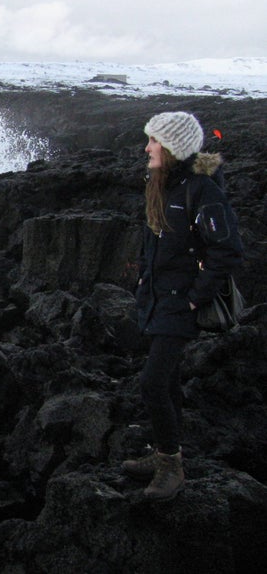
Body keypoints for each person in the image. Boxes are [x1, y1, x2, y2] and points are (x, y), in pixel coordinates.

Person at [123, 111, 243, 500]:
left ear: (173, 147)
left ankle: (171, 468)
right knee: (168, 381)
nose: (147, 148)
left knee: (152, 382)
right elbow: (155, 240)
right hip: (158, 298)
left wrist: (194, 299)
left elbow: (227, 251)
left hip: (180, 305)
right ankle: (162, 454)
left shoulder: (203, 191)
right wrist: (144, 277)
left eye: (154, 141)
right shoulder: (162, 184)